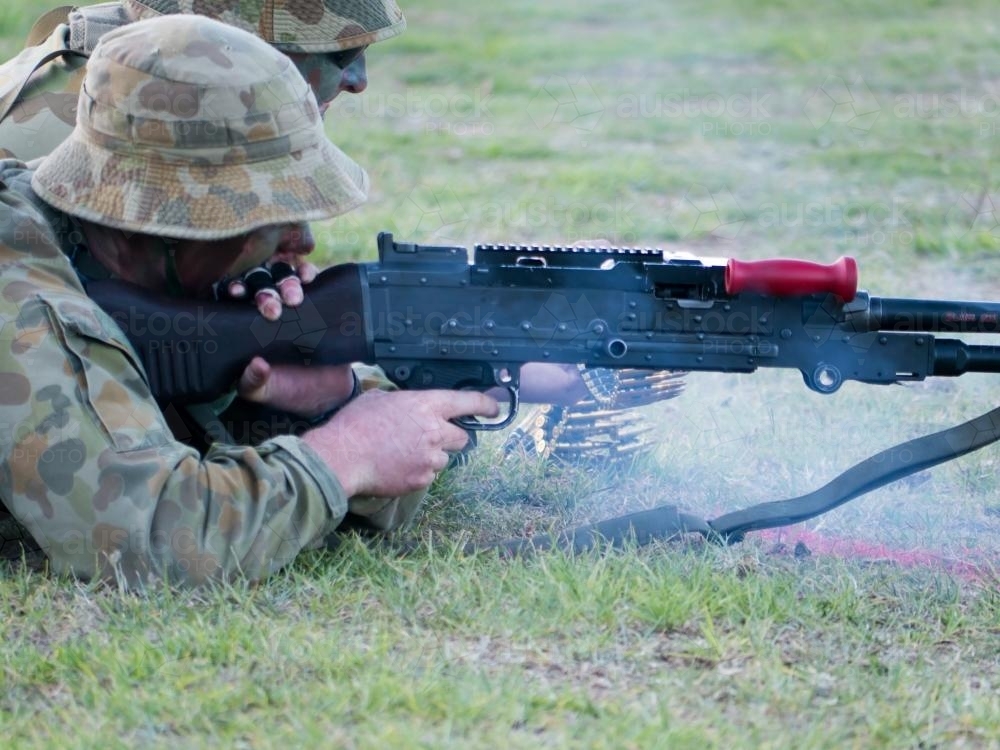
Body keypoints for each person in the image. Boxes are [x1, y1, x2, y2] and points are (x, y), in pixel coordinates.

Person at [0, 14, 586, 587]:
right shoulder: (21, 290)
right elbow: (154, 540)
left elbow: (190, 457)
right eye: (271, 216)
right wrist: (346, 451)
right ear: (171, 218)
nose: (302, 242)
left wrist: (331, 399)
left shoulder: (114, 261)